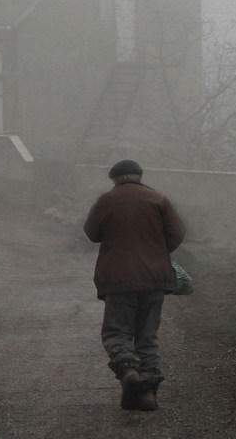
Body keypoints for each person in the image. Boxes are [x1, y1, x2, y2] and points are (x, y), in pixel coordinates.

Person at [83, 158, 186, 411]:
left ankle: (129, 371)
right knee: (147, 336)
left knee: (117, 331)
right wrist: (159, 252)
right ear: (139, 176)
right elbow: (177, 232)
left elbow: (91, 233)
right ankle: (147, 393)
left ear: (114, 179)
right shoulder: (158, 199)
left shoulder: (106, 200)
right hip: (154, 279)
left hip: (118, 279)